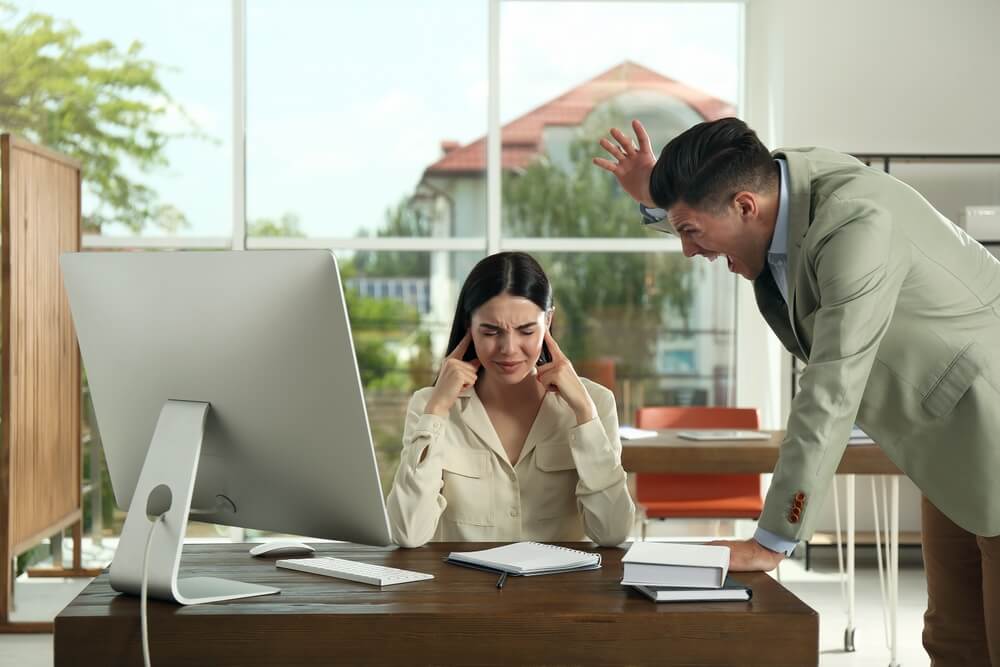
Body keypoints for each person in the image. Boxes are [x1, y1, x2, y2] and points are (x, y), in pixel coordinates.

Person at [596, 117, 1000, 665]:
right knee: (954, 640)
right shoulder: (773, 185)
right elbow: (717, 206)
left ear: (744, 207)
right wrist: (659, 197)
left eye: (689, 233)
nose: (689, 252)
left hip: (987, 421)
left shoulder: (856, 225)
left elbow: (831, 387)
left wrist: (771, 541)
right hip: (946, 442)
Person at [386, 251, 635, 548]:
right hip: (463, 591)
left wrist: (584, 414)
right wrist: (437, 411)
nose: (509, 348)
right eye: (491, 331)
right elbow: (406, 533)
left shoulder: (595, 403)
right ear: (469, 326)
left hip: (561, 590)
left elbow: (613, 532)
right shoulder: (429, 405)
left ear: (548, 321)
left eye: (526, 331)